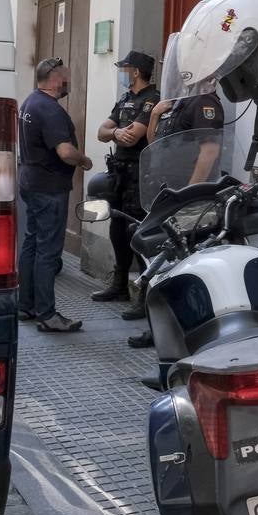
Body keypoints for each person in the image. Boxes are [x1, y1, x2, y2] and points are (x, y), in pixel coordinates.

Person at [126, 90, 227, 351]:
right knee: (163, 266)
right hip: (166, 196)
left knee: (180, 266)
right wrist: (156, 114)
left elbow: (209, 152)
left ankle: (179, 333)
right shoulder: (176, 103)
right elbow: (154, 145)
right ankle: (160, 329)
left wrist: (187, 197)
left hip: (185, 201)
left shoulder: (204, 102)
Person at [18, 57, 93, 333]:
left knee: (32, 245)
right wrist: (83, 159)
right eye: (66, 79)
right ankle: (47, 314)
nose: (67, 83)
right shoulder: (50, 110)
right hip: (49, 188)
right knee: (48, 252)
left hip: (30, 182)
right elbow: (65, 152)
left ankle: (24, 305)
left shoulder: (29, 102)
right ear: (54, 79)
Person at [93, 50, 159, 320]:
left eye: (125, 68)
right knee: (117, 227)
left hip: (140, 176)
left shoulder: (152, 99)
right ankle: (119, 284)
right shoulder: (125, 99)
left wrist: (118, 133)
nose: (121, 72)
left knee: (140, 232)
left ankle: (144, 293)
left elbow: (134, 136)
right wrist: (116, 132)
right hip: (119, 175)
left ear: (135, 72)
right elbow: (101, 132)